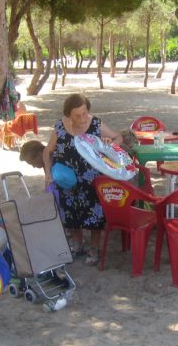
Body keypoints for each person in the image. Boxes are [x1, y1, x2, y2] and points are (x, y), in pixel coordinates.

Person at [43, 93, 123, 265]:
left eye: (84, 112)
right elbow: (47, 151)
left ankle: (93, 248)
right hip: (67, 179)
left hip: (92, 179)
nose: (82, 118)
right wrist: (48, 173)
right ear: (69, 115)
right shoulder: (60, 126)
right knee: (71, 214)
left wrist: (110, 142)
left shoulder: (95, 123)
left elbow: (119, 137)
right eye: (77, 115)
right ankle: (77, 244)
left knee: (95, 215)